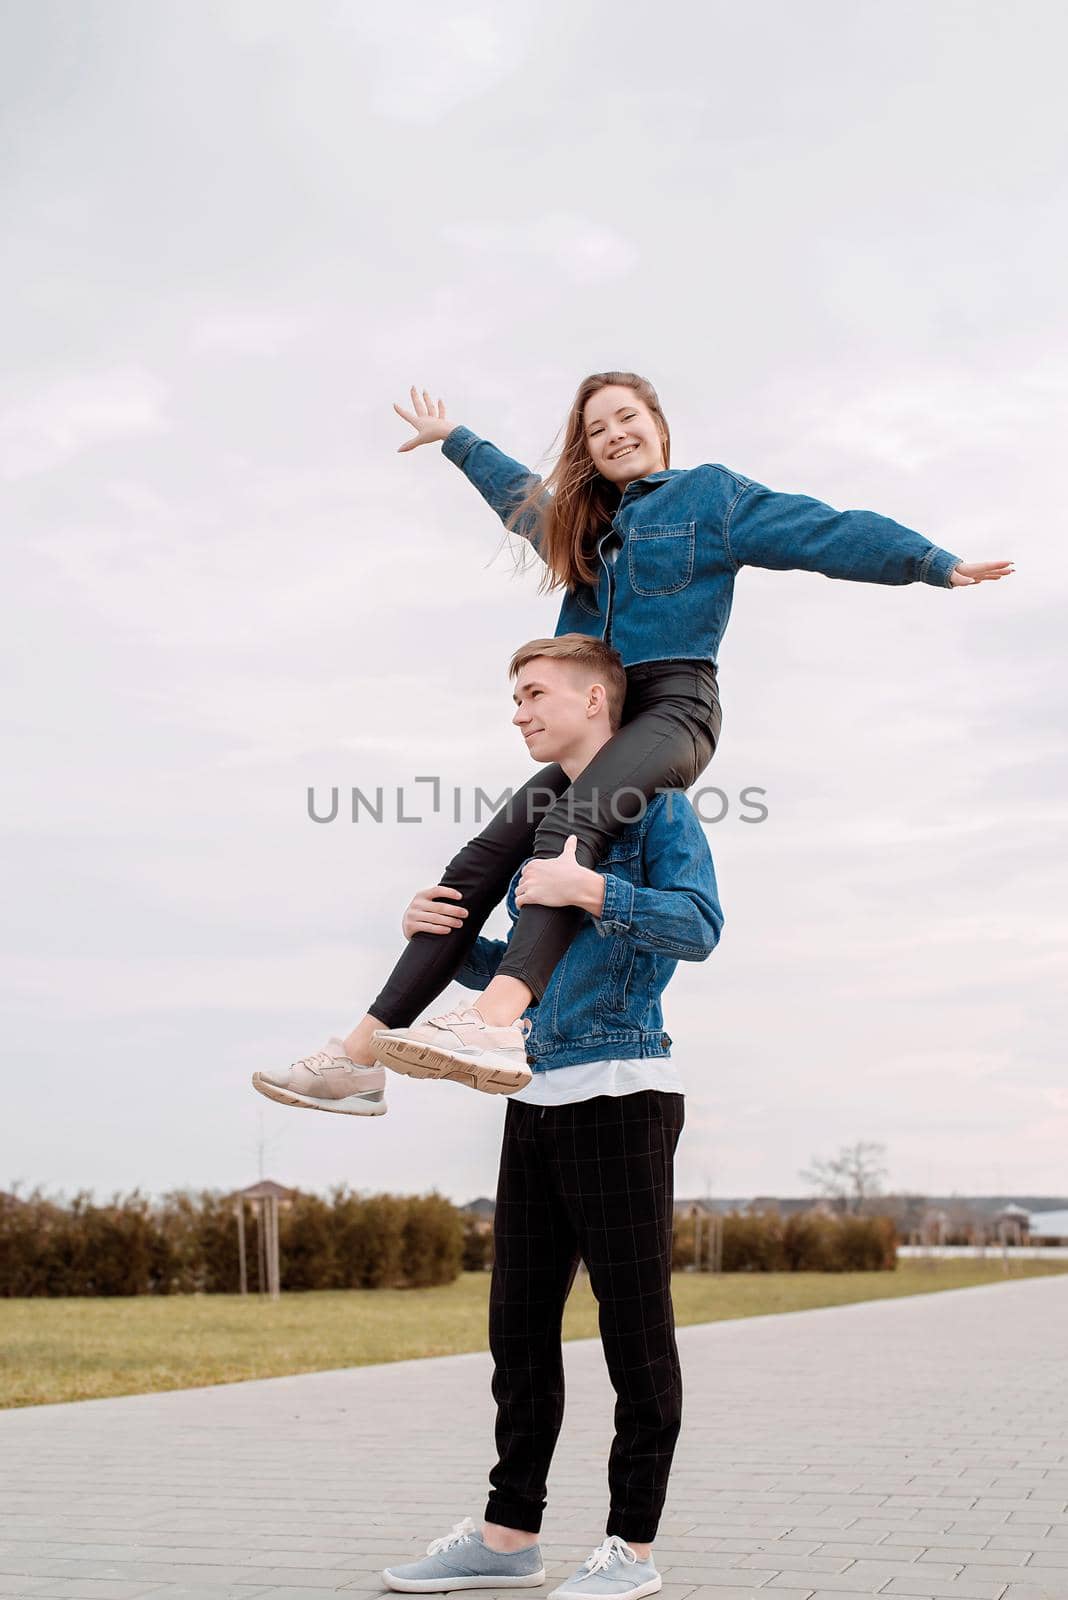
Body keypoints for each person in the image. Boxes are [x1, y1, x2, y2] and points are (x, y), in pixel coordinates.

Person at [253, 371, 1012, 1110]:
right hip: (600, 721)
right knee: (479, 861)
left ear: (658, 425)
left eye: (626, 418)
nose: (614, 435)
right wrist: (457, 438)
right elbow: (522, 500)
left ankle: (495, 1023)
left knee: (572, 823)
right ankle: (358, 1057)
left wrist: (930, 563)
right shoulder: (582, 527)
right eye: (596, 428)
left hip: (673, 707)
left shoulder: (708, 497)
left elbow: (820, 529)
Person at [378, 635, 722, 1600]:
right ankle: (507, 1536)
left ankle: (632, 1551)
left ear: (597, 705)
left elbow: (699, 925)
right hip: (529, 1092)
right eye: (514, 697)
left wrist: (595, 888)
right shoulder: (540, 819)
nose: (518, 712)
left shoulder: (658, 807)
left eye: (534, 694)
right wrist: (444, 941)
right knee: (518, 1330)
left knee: (633, 1333)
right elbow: (530, 970)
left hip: (623, 1094)